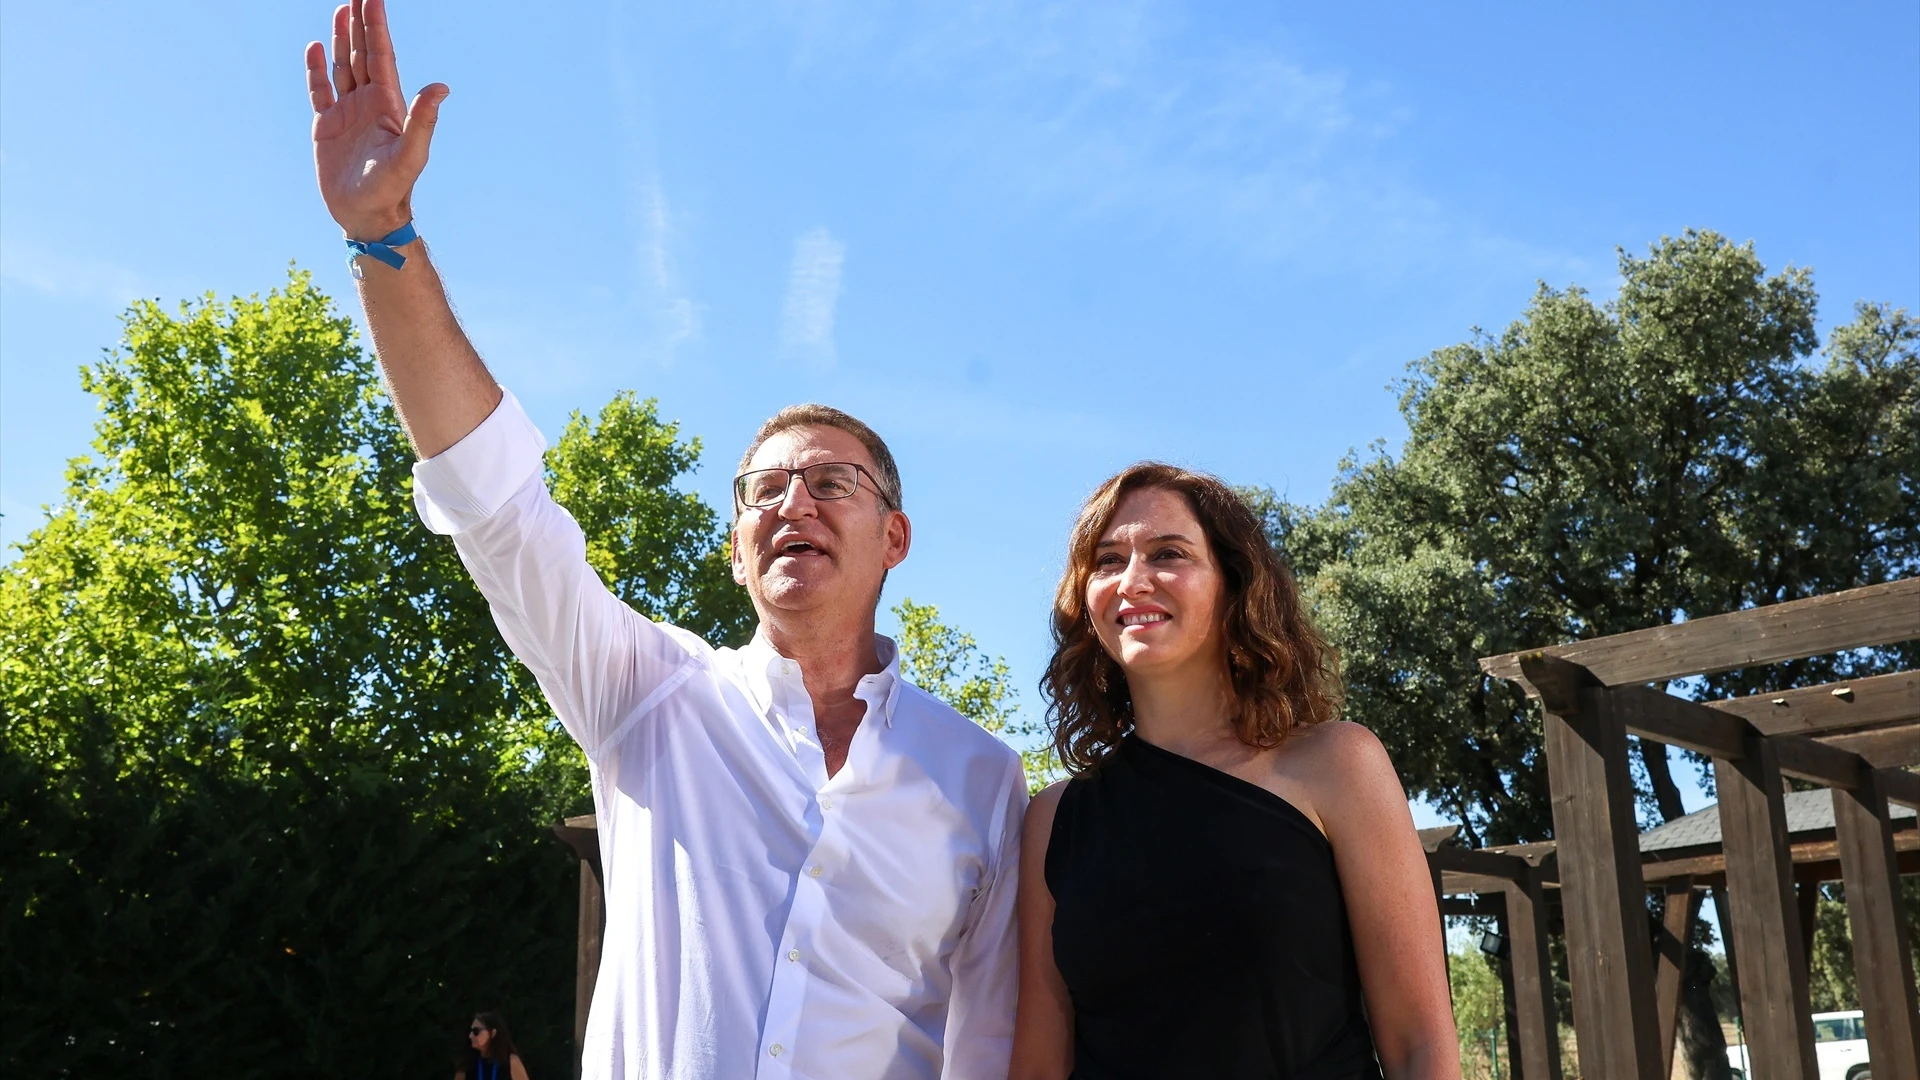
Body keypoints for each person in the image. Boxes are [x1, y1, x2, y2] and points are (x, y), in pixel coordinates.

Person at [302, 3, 1026, 1077]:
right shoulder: (644, 693)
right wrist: (382, 238)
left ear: (896, 535)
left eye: (833, 482)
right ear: (736, 547)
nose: (796, 504)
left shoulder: (981, 776)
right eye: (764, 490)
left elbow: (988, 1038)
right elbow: (497, 506)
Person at [1009, 464, 1458, 1079]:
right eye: (1108, 561)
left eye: (1168, 553)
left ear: (1235, 583)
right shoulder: (1054, 817)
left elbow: (1420, 1046)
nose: (1134, 581)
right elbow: (1039, 1064)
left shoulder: (1338, 764)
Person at [457, 1012, 531, 1080]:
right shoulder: (468, 1064)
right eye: (471, 1031)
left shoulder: (511, 1061)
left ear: (493, 1033)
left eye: (476, 1031)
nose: (471, 1036)